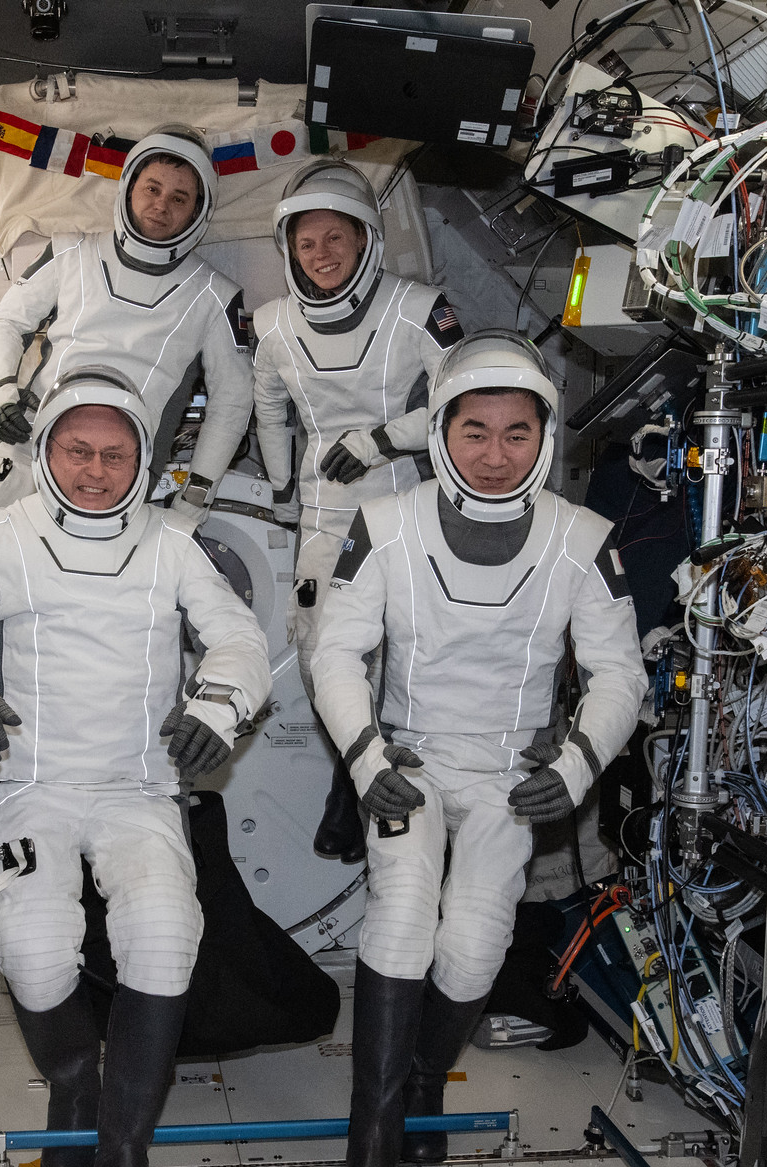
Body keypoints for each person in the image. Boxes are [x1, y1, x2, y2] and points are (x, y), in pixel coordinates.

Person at [0, 370, 270, 1167]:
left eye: (114, 455)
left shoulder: (173, 544)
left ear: (141, 462)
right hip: (33, 783)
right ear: (47, 451)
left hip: (140, 786)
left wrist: (218, 706)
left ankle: (123, 1153)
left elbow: (238, 636)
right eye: (77, 451)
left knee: (165, 933)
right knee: (29, 944)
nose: (96, 472)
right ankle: (75, 1080)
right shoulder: (2, 535)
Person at [307, 330, 648, 1167]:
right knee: (402, 918)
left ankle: (422, 1083)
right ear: (441, 434)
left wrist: (577, 762)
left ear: (545, 437)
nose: (496, 455)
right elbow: (335, 652)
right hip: (408, 763)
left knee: (472, 947)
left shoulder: (582, 539)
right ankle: (372, 1141)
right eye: (475, 432)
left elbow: (619, 673)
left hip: (512, 774)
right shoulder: (386, 524)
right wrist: (366, 755)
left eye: (516, 433)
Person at [249, 158, 464, 863]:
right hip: (324, 515)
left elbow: (462, 400)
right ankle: (355, 772)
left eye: (335, 238)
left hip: (401, 504)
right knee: (321, 649)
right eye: (307, 243)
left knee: (401, 649)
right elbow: (268, 405)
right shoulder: (274, 325)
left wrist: (380, 440)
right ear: (289, 250)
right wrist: (281, 483)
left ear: (367, 237)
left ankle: (386, 787)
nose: (322, 255)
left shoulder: (418, 309)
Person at [0, 124, 254, 566]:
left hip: (118, 469)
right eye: (152, 188)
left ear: (198, 211)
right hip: (30, 441)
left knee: (68, 582)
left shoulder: (214, 296)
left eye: (179, 198)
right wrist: (1, 395)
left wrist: (197, 492)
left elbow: (233, 400)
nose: (161, 205)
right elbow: (6, 323)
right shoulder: (69, 252)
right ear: (130, 187)